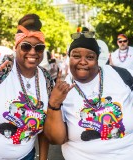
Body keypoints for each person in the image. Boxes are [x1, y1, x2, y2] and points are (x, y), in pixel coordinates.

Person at [0, 13, 53, 160]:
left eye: (39, 48)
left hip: (25, 157)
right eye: (26, 46)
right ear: (16, 47)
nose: (33, 52)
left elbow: (45, 128)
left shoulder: (46, 79)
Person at [44, 32, 133, 160]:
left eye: (90, 57)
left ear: (97, 59)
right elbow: (56, 139)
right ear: (69, 58)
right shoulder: (60, 88)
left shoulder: (122, 76)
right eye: (76, 56)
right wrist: (54, 104)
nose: (83, 62)